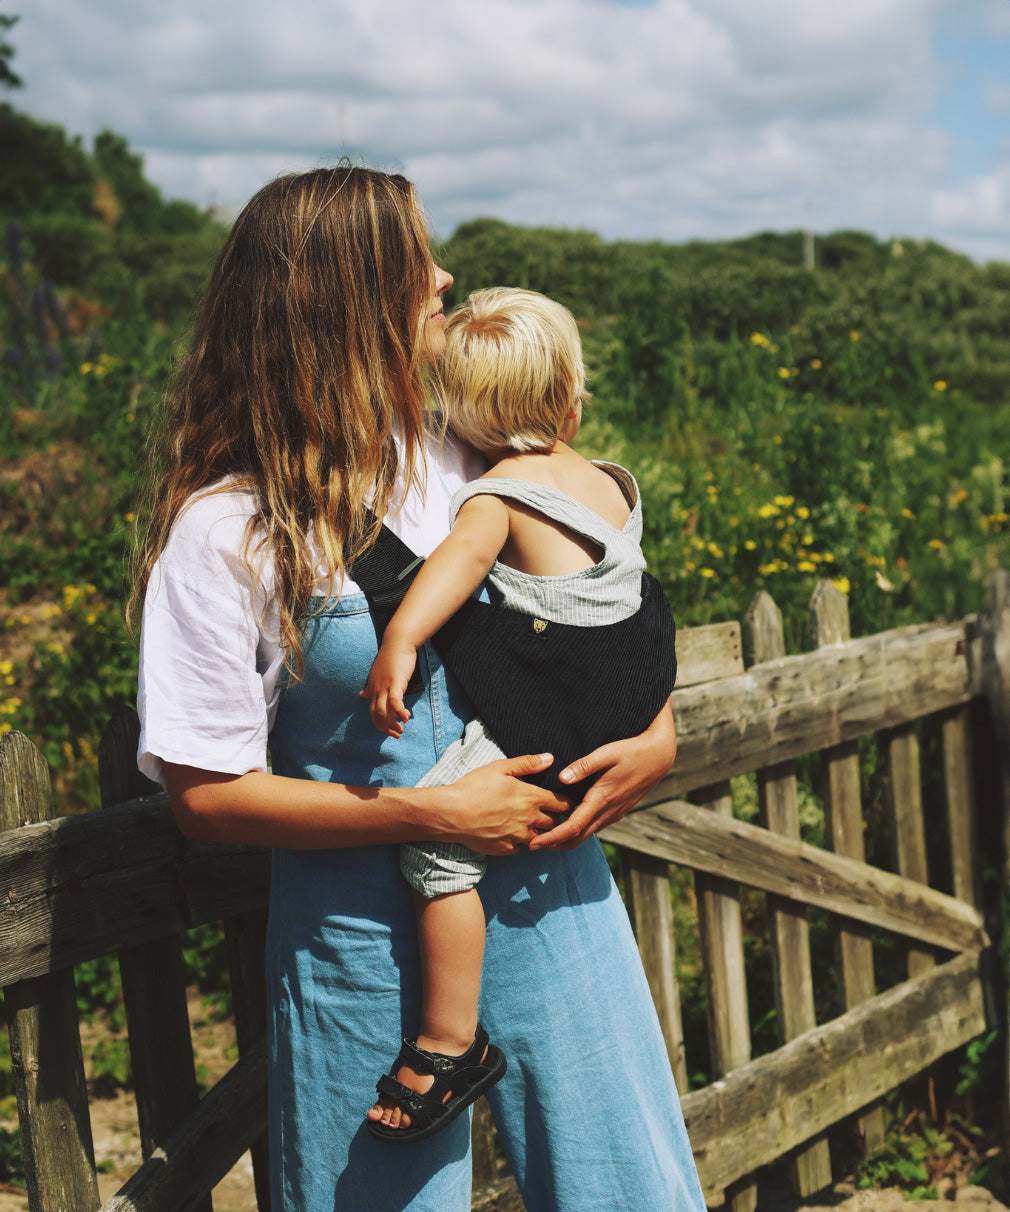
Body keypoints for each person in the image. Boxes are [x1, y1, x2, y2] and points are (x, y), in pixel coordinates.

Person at [131, 165, 706, 1212]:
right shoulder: (227, 531)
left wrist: (657, 733)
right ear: (346, 299)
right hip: (361, 945)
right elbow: (202, 797)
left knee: (630, 1193)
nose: (443, 276)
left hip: (554, 902)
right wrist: (430, 812)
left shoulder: (478, 451)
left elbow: (600, 610)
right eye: (414, 264)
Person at [362, 286, 678, 1144]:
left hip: (552, 708)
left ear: (460, 420)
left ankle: (449, 1038)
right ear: (572, 392)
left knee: (435, 851)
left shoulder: (498, 493)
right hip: (626, 702)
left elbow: (459, 565)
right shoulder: (608, 481)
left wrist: (401, 640)